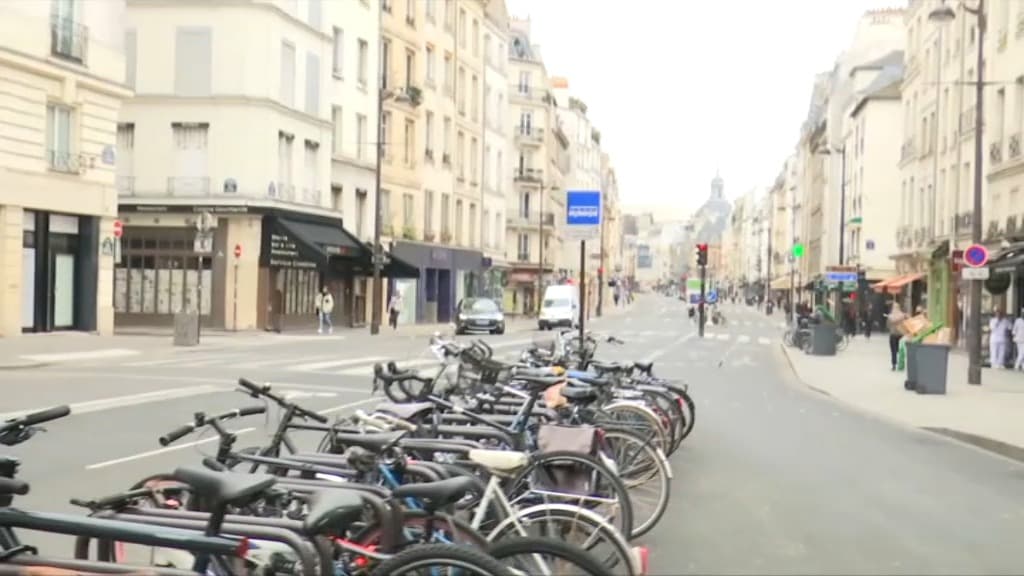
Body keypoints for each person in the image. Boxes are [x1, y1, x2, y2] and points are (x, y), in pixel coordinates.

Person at [886, 302, 906, 371]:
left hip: (893, 334)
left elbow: (888, 325)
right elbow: (905, 324)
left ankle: (894, 365)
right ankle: (901, 364)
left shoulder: (890, 316)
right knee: (900, 350)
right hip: (901, 334)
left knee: (893, 351)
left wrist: (891, 327)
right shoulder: (903, 315)